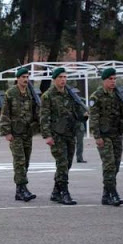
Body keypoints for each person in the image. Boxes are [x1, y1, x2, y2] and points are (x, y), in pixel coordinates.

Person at [89, 68, 123, 206]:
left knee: (116, 165)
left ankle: (106, 194)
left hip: (117, 135)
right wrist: (97, 137)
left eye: (114, 79)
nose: (113, 81)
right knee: (109, 165)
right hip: (104, 136)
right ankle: (113, 193)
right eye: (110, 79)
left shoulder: (119, 96)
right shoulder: (97, 96)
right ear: (104, 80)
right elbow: (93, 118)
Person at [40, 68, 86, 205]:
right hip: (57, 135)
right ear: (54, 79)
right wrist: (47, 135)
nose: (63, 80)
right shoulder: (48, 96)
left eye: (65, 77)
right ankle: (64, 192)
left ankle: (55, 191)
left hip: (70, 134)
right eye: (60, 77)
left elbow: (77, 113)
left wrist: (84, 115)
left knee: (68, 164)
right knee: (62, 164)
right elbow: (44, 117)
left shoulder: (70, 94)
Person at [0, 67, 38, 202]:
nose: (25, 79)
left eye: (27, 77)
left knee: (26, 161)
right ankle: (22, 188)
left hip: (27, 132)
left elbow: (35, 112)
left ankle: (19, 190)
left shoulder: (30, 93)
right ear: (18, 78)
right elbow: (5, 113)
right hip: (15, 133)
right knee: (19, 161)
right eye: (23, 77)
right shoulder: (11, 93)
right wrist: (7, 132)